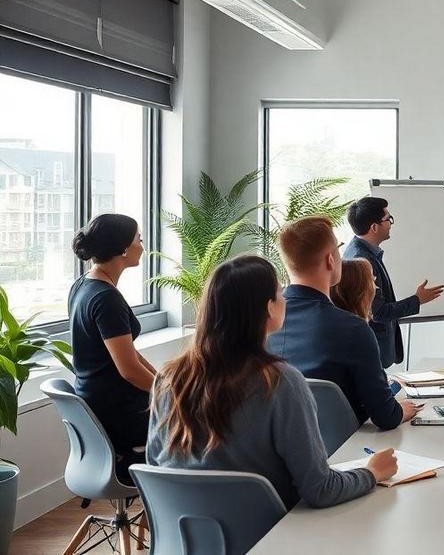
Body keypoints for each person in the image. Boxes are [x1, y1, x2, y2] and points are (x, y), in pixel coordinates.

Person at [147, 255, 398, 508]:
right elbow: (320, 489)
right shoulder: (281, 382)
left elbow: (155, 464)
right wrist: (372, 472)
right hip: (267, 536)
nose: (285, 299)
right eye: (281, 293)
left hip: (185, 539)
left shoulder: (167, 377)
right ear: (269, 307)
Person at [266, 216, 420, 429]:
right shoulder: (352, 328)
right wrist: (402, 410)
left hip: (279, 447)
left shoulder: (261, 323)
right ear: (331, 259)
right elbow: (386, 416)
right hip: (345, 448)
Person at [69, 214, 157, 480]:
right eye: (139, 240)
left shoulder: (84, 285)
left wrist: (164, 381)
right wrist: (168, 394)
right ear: (123, 249)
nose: (142, 245)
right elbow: (129, 370)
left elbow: (128, 352)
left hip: (96, 403)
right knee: (194, 427)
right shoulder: (106, 299)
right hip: (118, 412)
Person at [343, 197, 444, 368]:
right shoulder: (362, 260)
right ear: (374, 227)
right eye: (388, 219)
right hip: (373, 347)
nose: (391, 223)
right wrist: (417, 300)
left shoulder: (361, 252)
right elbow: (378, 312)